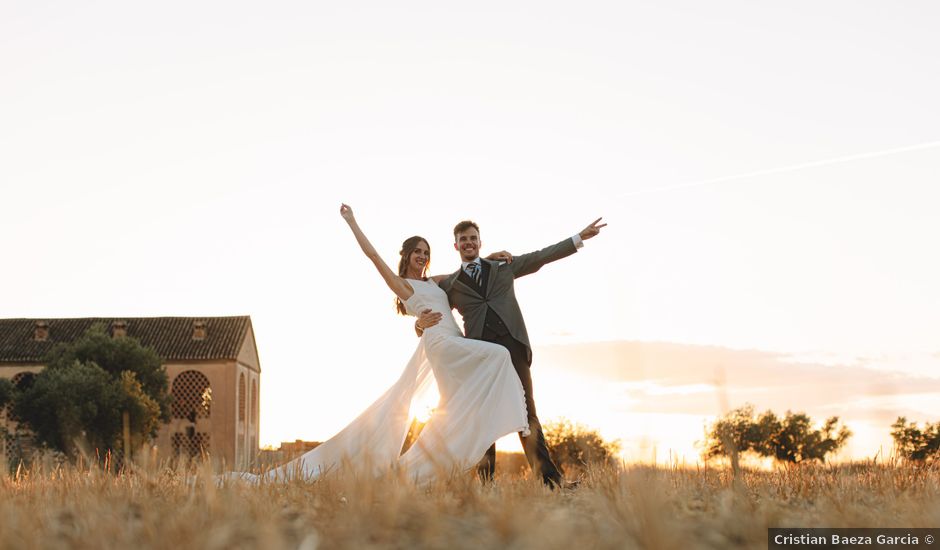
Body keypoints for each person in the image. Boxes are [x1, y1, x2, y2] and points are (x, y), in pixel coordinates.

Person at [227, 204, 532, 484]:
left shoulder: (435, 282)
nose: (422, 256)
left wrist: (489, 258)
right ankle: (520, 418)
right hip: (441, 345)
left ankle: (428, 473)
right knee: (499, 355)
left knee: (455, 412)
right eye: (417, 252)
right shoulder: (402, 284)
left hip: (453, 342)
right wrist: (352, 222)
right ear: (407, 256)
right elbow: (372, 255)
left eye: (426, 252)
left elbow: (464, 273)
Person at [415, 217, 606, 488]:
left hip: (512, 346)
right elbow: (424, 302)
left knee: (527, 413)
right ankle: (485, 485)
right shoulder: (450, 285)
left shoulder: (503, 267)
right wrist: (418, 324)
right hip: (480, 356)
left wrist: (579, 237)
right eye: (463, 240)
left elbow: (541, 257)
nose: (468, 243)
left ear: (479, 243)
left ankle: (551, 482)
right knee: (482, 418)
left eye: (472, 238)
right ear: (456, 245)